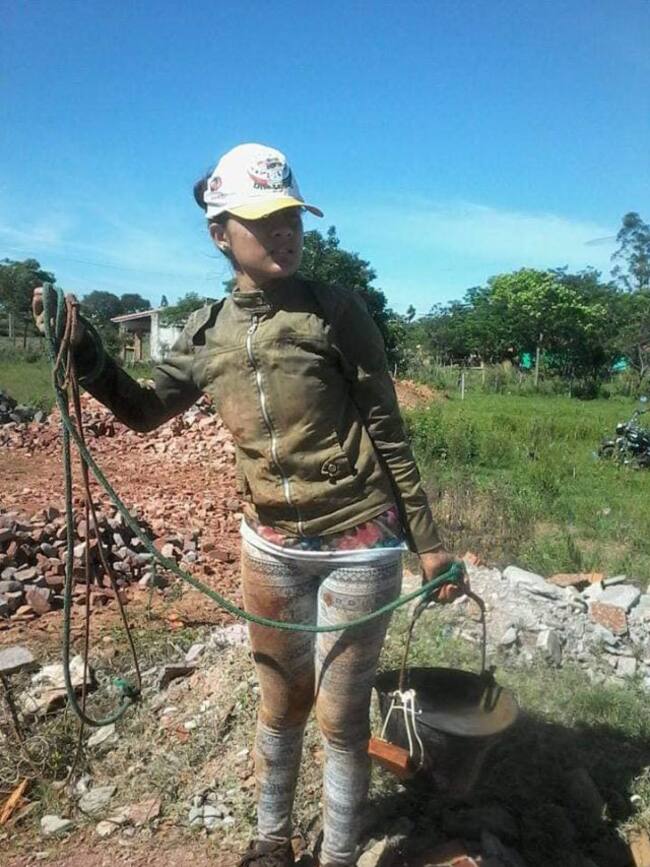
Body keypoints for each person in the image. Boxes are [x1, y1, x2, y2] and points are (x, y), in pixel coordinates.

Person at [33, 143, 462, 867]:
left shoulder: (336, 313)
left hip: (360, 543)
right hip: (270, 549)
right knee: (281, 703)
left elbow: (388, 430)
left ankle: (342, 851)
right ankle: (271, 840)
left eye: (292, 217)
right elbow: (141, 410)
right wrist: (88, 357)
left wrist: (428, 543)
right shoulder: (208, 335)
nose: (286, 233)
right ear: (220, 233)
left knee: (340, 715)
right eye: (266, 221)